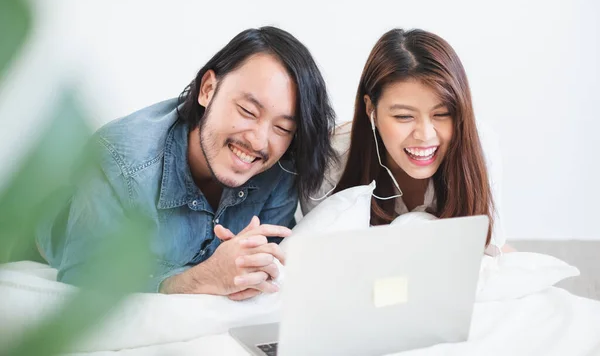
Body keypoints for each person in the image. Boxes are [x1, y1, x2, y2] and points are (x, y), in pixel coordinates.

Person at [36, 26, 337, 299]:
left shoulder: (280, 166)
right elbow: (81, 278)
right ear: (208, 89)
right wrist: (200, 279)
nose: (259, 142)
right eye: (248, 111)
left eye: (283, 128)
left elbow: (270, 265)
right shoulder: (121, 160)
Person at [301, 28, 511, 254]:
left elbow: (488, 250)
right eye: (404, 116)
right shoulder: (331, 160)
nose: (425, 135)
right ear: (371, 108)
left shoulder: (479, 145)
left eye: (441, 115)